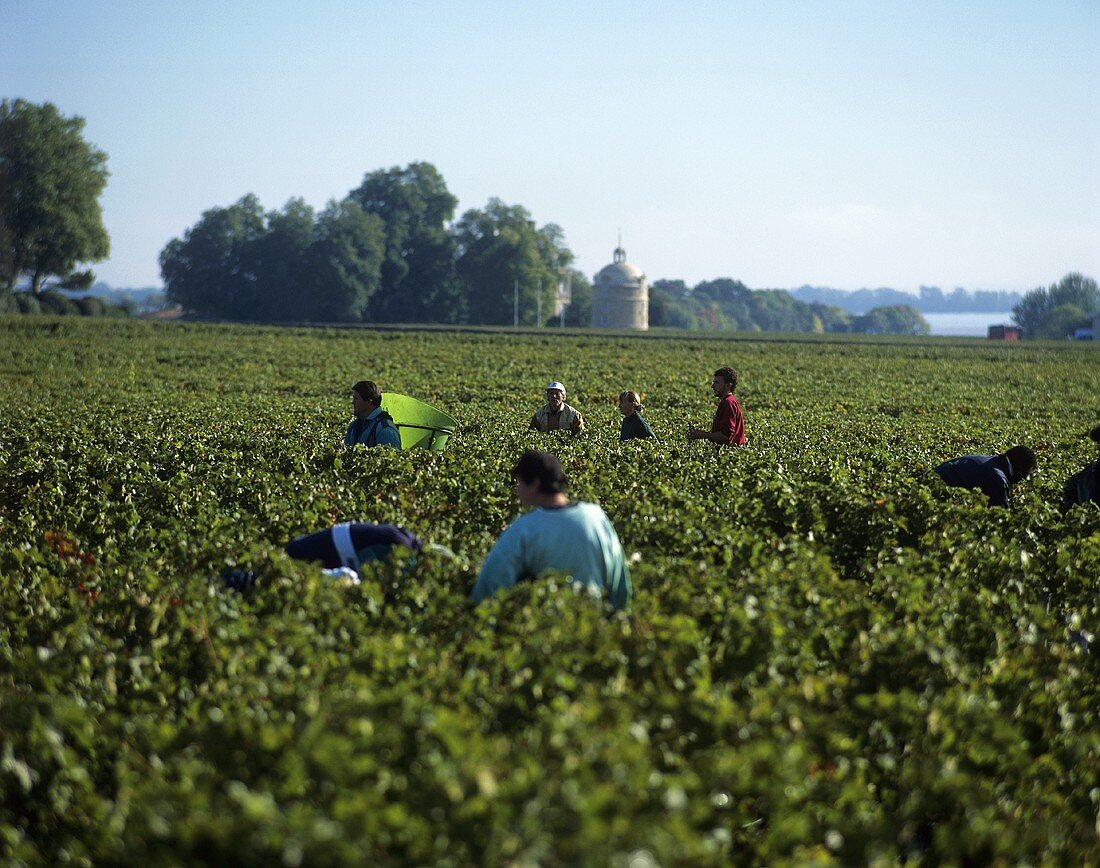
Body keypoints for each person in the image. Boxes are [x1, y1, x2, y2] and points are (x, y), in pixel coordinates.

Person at [471, 450, 631, 610]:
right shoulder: (596, 516)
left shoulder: (524, 529)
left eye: (520, 482)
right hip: (596, 623)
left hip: (545, 628)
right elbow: (618, 579)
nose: (517, 489)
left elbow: (489, 585)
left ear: (535, 484)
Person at [934, 445, 1036, 508]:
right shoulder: (999, 479)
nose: (1021, 480)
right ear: (1019, 468)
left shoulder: (989, 460)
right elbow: (1000, 517)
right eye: (1024, 475)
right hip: (935, 493)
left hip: (931, 479)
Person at [688, 366, 746, 446]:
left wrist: (702, 435)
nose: (712, 386)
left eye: (717, 383)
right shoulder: (730, 401)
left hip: (729, 453)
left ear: (728, 385)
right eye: (713, 382)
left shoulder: (728, 402)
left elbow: (726, 435)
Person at [345, 380, 401, 449]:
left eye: (356, 399)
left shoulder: (386, 430)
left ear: (369, 401)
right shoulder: (353, 426)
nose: (353, 402)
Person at [1062, 424, 1100, 509]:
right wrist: (1076, 512)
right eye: (1098, 443)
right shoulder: (1088, 473)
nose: (1097, 448)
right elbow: (1069, 489)